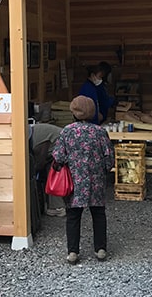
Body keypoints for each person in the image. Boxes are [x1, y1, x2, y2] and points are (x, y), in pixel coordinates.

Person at [51, 95, 115, 264]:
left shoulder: (67, 132)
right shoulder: (100, 132)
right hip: (96, 180)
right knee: (99, 214)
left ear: (73, 112)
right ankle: (100, 249)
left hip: (75, 181)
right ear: (93, 112)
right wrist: (103, 170)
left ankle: (73, 252)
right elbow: (109, 158)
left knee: (73, 216)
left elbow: (58, 156)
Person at [30, 122, 66, 217]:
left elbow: (41, 161)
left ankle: (58, 208)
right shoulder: (32, 132)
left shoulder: (35, 140)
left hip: (63, 144)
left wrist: (35, 170)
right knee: (50, 172)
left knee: (54, 174)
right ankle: (55, 206)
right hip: (59, 143)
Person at [77, 61, 116, 125]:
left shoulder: (93, 87)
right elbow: (89, 107)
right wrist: (96, 116)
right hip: (89, 122)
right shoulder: (88, 88)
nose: (101, 79)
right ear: (92, 75)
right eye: (100, 76)